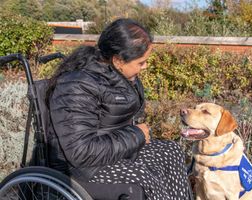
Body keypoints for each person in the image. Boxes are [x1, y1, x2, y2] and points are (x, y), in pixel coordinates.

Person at [46, 18, 190, 200]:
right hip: (83, 169)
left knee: (171, 150)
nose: (145, 67)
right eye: (141, 62)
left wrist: (135, 135)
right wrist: (136, 135)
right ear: (118, 60)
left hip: (114, 153)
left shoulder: (116, 74)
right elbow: (80, 151)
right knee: (144, 178)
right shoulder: (77, 85)